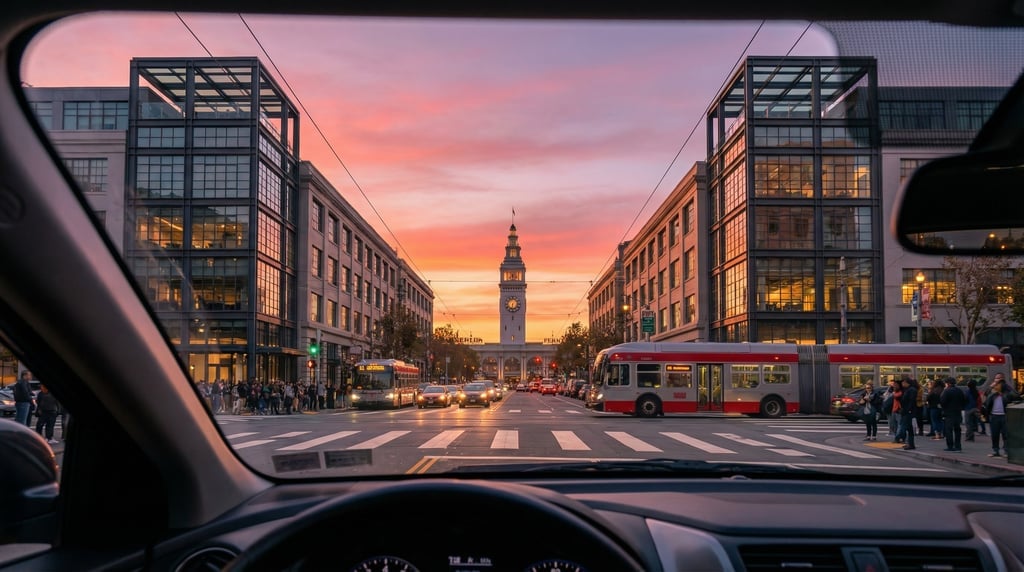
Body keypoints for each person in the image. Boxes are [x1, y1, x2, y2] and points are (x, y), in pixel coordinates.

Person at [983, 378, 1020, 457]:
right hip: (994, 416)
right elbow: (986, 401)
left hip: (1004, 416)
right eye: (995, 384)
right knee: (994, 435)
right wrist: (991, 388)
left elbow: (1017, 396)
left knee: (1005, 435)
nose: (996, 386)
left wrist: (1008, 389)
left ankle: (1006, 451)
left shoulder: (1007, 394)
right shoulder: (993, 394)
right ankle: (995, 451)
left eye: (997, 384)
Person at [939, 377, 966, 452]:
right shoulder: (959, 391)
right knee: (957, 430)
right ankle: (958, 446)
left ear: (948, 383)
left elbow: (942, 401)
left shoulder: (946, 391)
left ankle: (950, 446)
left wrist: (944, 408)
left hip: (949, 413)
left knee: (949, 430)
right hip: (957, 413)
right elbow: (964, 400)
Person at [898, 377, 918, 450]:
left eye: (903, 382)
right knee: (909, 428)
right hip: (906, 410)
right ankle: (910, 443)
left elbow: (911, 401)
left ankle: (909, 443)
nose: (902, 384)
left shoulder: (912, 390)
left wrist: (909, 410)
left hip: (909, 411)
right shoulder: (907, 390)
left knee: (906, 427)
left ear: (907, 383)